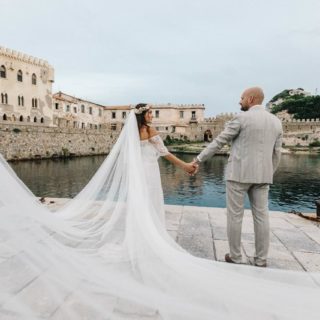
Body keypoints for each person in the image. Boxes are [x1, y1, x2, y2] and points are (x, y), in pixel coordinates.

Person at [192, 87, 283, 267]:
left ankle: (235, 256)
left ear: (250, 99)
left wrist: (198, 159)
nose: (239, 101)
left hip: (238, 175)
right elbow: (277, 153)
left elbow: (219, 142)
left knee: (235, 216)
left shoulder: (241, 118)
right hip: (263, 176)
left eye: (241, 98)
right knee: (262, 217)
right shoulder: (276, 122)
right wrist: (268, 172)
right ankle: (261, 259)